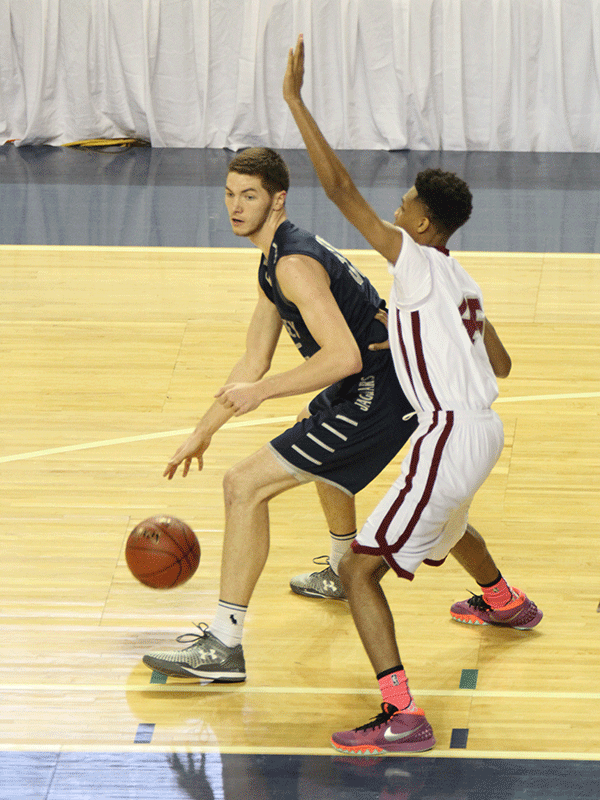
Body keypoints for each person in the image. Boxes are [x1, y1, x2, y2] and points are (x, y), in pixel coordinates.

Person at [283, 34, 542, 754]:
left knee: (360, 569)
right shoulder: (461, 277)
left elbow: (339, 191)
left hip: (449, 430)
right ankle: (504, 603)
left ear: (423, 222)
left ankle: (403, 714)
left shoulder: (419, 262)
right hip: (484, 430)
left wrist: (295, 102)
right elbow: (504, 362)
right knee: (450, 522)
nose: (394, 208)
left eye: (405, 203)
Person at [142, 145, 420, 681]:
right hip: (367, 383)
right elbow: (253, 358)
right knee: (309, 437)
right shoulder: (273, 260)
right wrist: (204, 431)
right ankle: (344, 570)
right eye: (229, 194)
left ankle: (224, 644)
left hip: (377, 388)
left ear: (278, 201)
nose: (235, 206)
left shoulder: (292, 264)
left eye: (249, 196)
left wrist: (264, 393)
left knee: (243, 485)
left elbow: (344, 356)